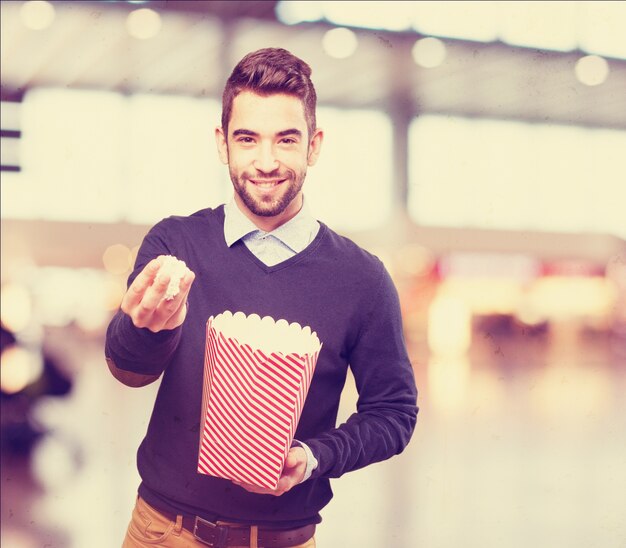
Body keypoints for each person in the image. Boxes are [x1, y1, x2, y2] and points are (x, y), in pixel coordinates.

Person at [105, 47, 418, 548]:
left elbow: (394, 412)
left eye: (286, 140)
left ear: (314, 146)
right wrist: (146, 327)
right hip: (165, 533)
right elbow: (128, 371)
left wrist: (315, 457)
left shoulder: (362, 278)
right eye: (247, 139)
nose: (266, 162)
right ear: (221, 143)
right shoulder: (175, 245)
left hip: (286, 539)